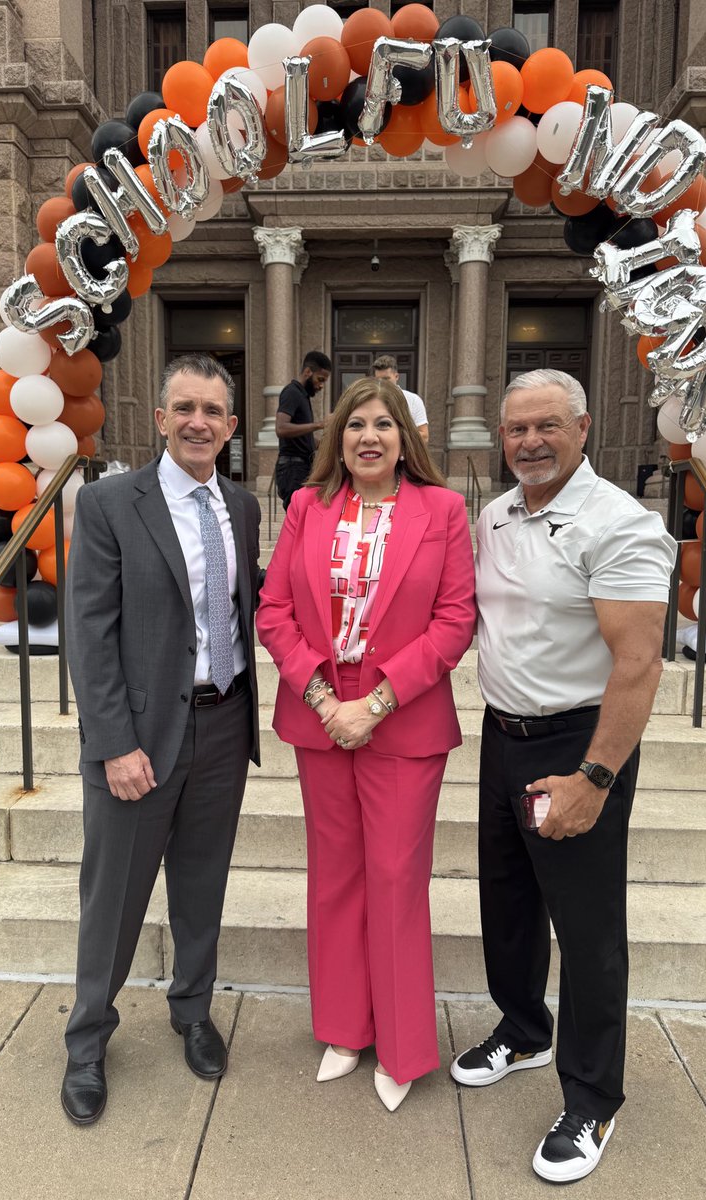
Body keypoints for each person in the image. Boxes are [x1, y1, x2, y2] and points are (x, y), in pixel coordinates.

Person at [451, 369, 676, 1183]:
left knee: (584, 927)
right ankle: (521, 1028)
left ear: (583, 428)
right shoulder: (497, 514)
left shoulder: (618, 524)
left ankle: (592, 1097)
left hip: (579, 740)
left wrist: (594, 777)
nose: (530, 442)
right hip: (502, 732)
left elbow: (640, 664)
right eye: (516, 429)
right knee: (506, 897)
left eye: (547, 425)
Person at [257, 377, 476, 1111]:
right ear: (337, 439)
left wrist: (375, 702)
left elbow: (454, 621)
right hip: (321, 718)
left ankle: (405, 1045)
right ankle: (345, 1028)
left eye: (384, 424)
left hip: (402, 720)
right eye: (355, 426)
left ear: (405, 438)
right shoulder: (303, 508)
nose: (369, 437)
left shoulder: (442, 510)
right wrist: (325, 699)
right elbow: (274, 611)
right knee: (335, 876)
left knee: (394, 879)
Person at [61, 353, 261, 1125]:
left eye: (212, 411)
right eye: (184, 408)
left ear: (232, 426)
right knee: (112, 899)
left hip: (222, 724)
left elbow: (251, 603)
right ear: (160, 418)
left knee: (201, 888)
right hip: (140, 737)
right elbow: (91, 634)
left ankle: (191, 1010)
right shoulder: (112, 503)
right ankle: (86, 1041)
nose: (198, 422)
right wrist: (113, 743)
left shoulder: (241, 507)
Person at [274, 350, 332, 510]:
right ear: (308, 372)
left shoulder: (302, 396)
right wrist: (320, 424)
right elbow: (281, 428)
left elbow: (303, 437)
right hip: (292, 469)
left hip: (301, 467)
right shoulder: (292, 392)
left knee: (303, 515)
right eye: (320, 379)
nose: (321, 385)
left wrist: (329, 443)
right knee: (296, 515)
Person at [372, 353, 429, 443]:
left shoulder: (413, 400)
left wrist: (394, 436)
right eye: (378, 380)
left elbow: (424, 436)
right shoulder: (370, 400)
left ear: (397, 376)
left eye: (386, 379)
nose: (383, 383)